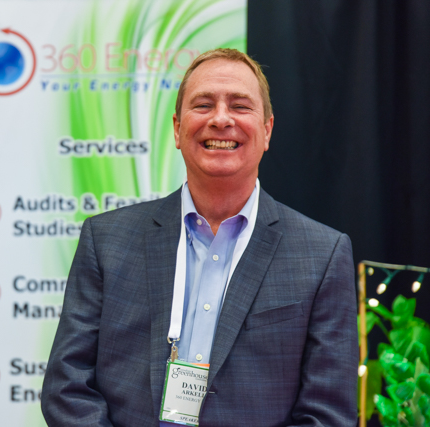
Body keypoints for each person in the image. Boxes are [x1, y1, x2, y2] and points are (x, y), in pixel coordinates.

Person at [41, 48, 358, 426]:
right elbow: (67, 387)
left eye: (240, 106)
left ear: (267, 130)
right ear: (177, 128)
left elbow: (327, 414)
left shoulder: (322, 255)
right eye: (203, 105)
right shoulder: (106, 240)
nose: (221, 119)